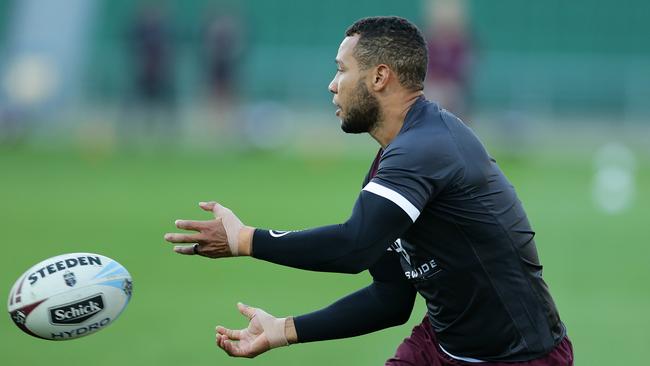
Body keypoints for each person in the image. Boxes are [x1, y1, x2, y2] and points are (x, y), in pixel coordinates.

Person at [164, 16, 573, 365]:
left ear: (379, 77)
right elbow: (391, 299)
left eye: (341, 70)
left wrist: (245, 240)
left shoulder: (425, 149)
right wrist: (283, 330)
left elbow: (354, 246)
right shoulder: (393, 161)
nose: (331, 85)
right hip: (441, 346)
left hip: (519, 356)